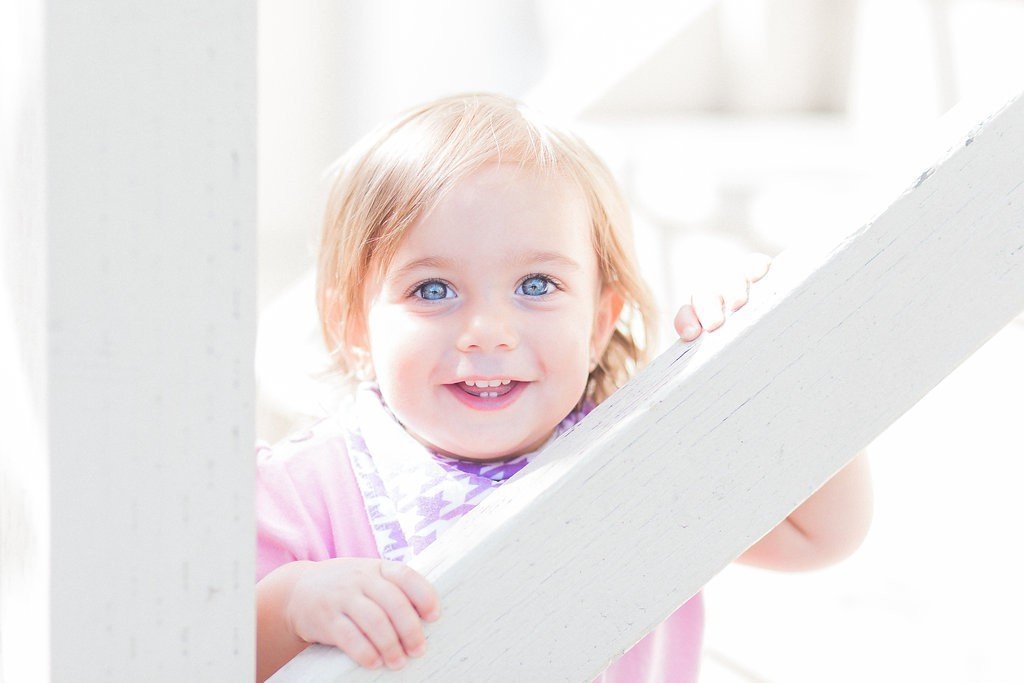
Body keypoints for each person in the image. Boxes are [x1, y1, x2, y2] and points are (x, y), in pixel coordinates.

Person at [255, 93, 873, 682]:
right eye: (433, 290)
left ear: (600, 320)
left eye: (536, 285)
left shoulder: (641, 463)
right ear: (351, 325)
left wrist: (773, 354)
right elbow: (196, 656)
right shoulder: (301, 494)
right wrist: (288, 607)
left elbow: (820, 533)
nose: (489, 333)